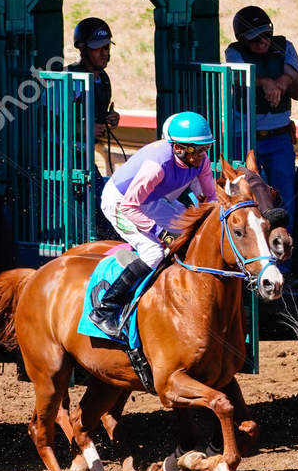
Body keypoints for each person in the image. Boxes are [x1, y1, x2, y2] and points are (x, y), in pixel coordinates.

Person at [90, 111, 219, 336]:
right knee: (154, 251)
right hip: (121, 202)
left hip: (151, 201)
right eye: (196, 150)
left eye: (205, 148)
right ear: (178, 148)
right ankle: (105, 310)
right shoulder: (157, 166)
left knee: (192, 233)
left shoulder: (202, 162)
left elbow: (211, 198)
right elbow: (130, 206)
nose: (202, 155)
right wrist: (161, 233)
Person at [224, 6, 298, 224]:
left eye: (266, 35)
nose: (262, 42)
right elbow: (239, 76)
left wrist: (281, 83)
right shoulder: (234, 52)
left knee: (286, 198)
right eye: (254, 39)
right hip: (246, 138)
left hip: (280, 137)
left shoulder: (285, 46)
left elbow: (294, 82)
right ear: (241, 40)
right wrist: (264, 82)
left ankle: (284, 253)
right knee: (252, 195)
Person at [66, 17, 123, 231]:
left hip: (86, 157)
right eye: (97, 48)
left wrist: (109, 119)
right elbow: (46, 122)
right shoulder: (68, 78)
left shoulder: (104, 79)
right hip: (64, 158)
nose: (104, 53)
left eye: (106, 47)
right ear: (82, 50)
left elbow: (96, 117)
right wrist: (82, 129)